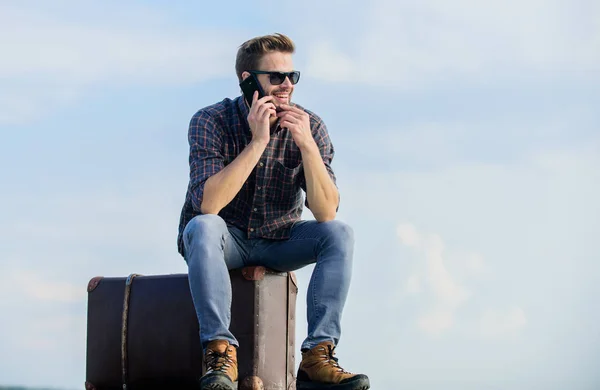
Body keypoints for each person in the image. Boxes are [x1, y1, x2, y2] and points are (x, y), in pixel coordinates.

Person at [177, 33, 370, 390]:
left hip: (279, 239)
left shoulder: (311, 125)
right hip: (226, 240)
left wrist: (308, 146)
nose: (286, 86)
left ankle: (316, 357)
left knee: (340, 233)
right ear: (247, 80)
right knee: (202, 226)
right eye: (276, 77)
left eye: (292, 77)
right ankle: (220, 354)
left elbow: (326, 212)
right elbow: (210, 205)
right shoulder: (210, 121)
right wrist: (259, 141)